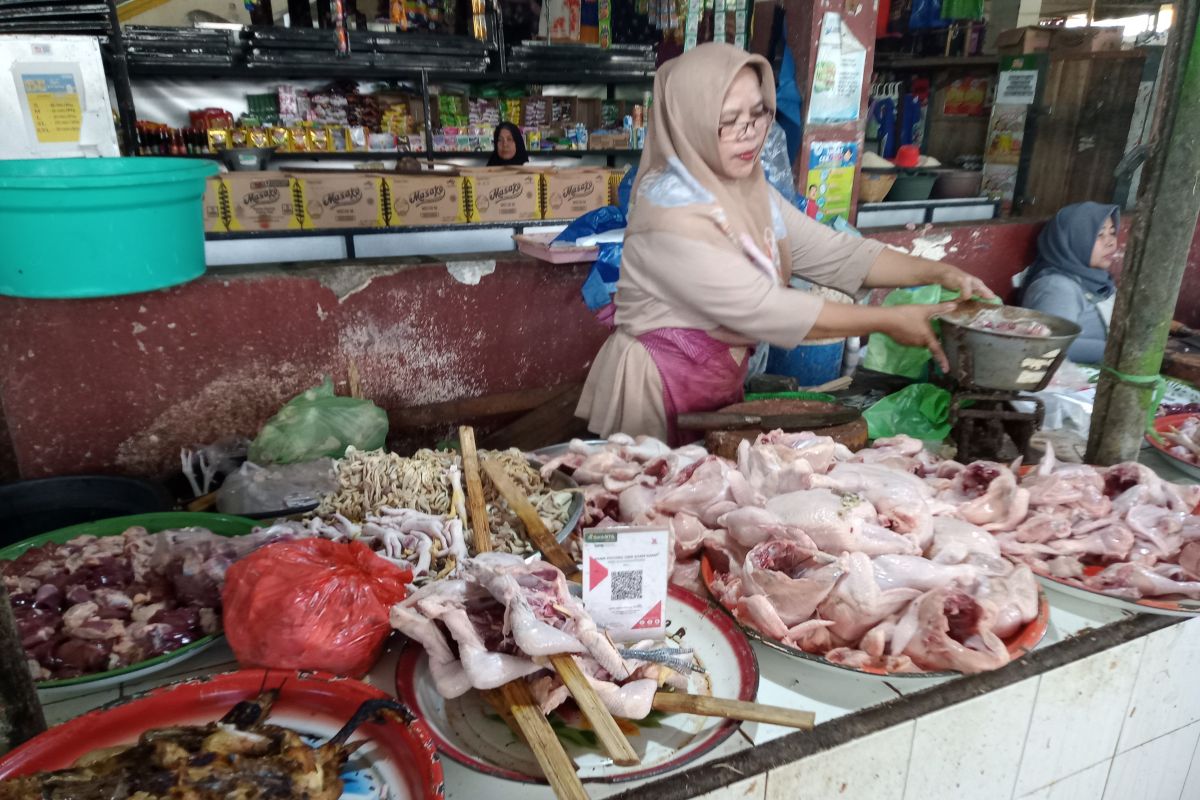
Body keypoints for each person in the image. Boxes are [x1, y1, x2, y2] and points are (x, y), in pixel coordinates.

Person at [575, 43, 993, 445]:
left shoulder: (745, 188)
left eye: (758, 114)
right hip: (656, 387)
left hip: (712, 379)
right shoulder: (670, 213)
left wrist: (938, 271)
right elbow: (762, 307)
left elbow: (834, 252)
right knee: (654, 501)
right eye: (728, 119)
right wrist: (887, 319)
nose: (749, 132)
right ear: (688, 123)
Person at [1018, 202, 1119, 364]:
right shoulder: (1056, 287)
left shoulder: (1098, 280)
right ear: (1074, 239)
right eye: (1100, 235)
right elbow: (1051, 346)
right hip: (1068, 383)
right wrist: (1122, 351)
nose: (1111, 242)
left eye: (1112, 233)